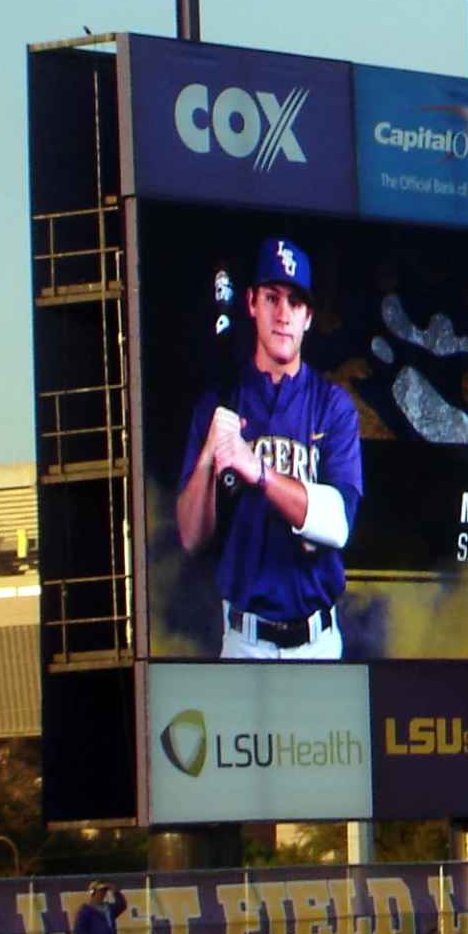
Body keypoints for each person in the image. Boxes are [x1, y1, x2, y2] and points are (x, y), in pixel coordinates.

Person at [175, 238, 363, 661]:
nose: (283, 315)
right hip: (245, 640)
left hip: (318, 642)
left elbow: (336, 524)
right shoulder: (219, 403)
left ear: (308, 317)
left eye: (295, 303)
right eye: (272, 298)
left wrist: (255, 469)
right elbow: (191, 537)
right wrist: (209, 456)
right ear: (251, 303)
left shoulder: (332, 406)